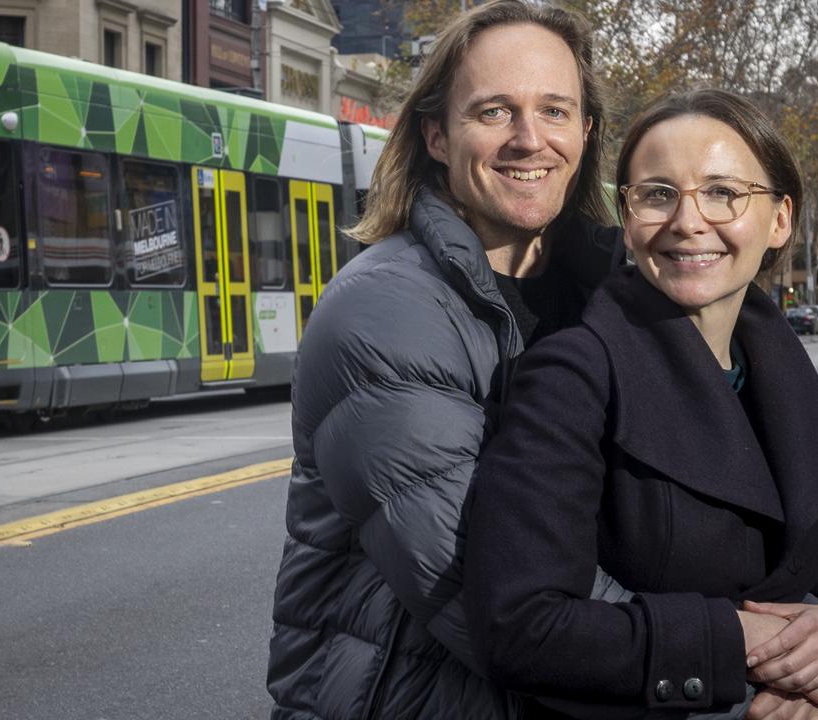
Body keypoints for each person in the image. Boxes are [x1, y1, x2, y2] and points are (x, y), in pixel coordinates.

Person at [465, 89, 818, 720]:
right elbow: (521, 627)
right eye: (657, 194)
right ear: (627, 217)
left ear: (780, 218)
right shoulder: (571, 377)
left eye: (723, 192)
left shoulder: (779, 373)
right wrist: (741, 648)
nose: (688, 221)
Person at [266, 2, 626, 718]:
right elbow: (493, 601)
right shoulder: (383, 310)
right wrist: (733, 658)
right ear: (435, 134)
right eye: (494, 112)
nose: (530, 140)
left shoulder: (614, 294)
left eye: (555, 111)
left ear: (585, 133)